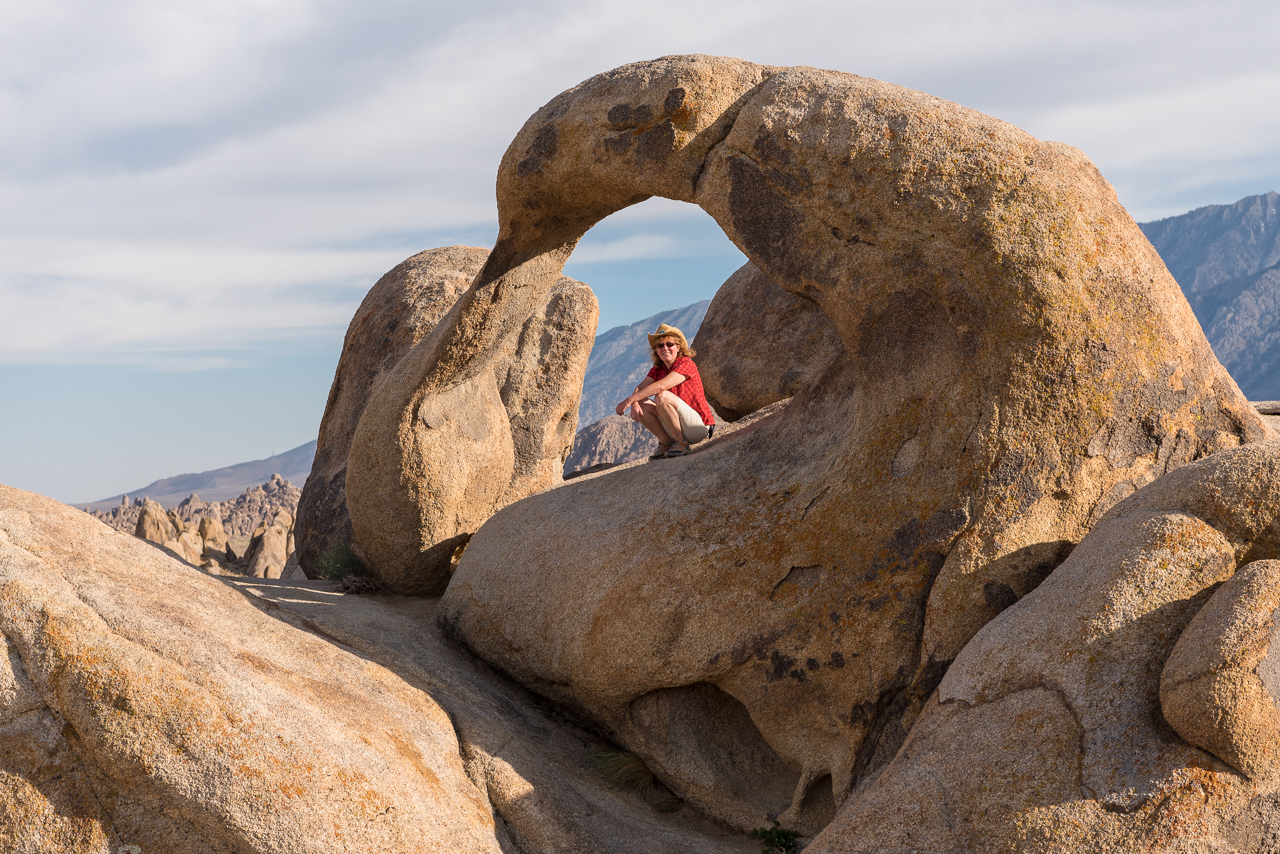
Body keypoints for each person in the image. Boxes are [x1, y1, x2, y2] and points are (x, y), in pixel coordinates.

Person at [614, 323, 717, 459]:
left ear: (678, 347)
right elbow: (640, 388)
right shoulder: (658, 369)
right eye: (660, 345)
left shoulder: (686, 364)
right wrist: (635, 403)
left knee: (662, 396)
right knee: (642, 403)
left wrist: (630, 400)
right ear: (656, 350)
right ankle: (667, 443)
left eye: (670, 344)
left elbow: (661, 385)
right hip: (678, 424)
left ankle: (681, 442)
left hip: (698, 427)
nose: (665, 348)